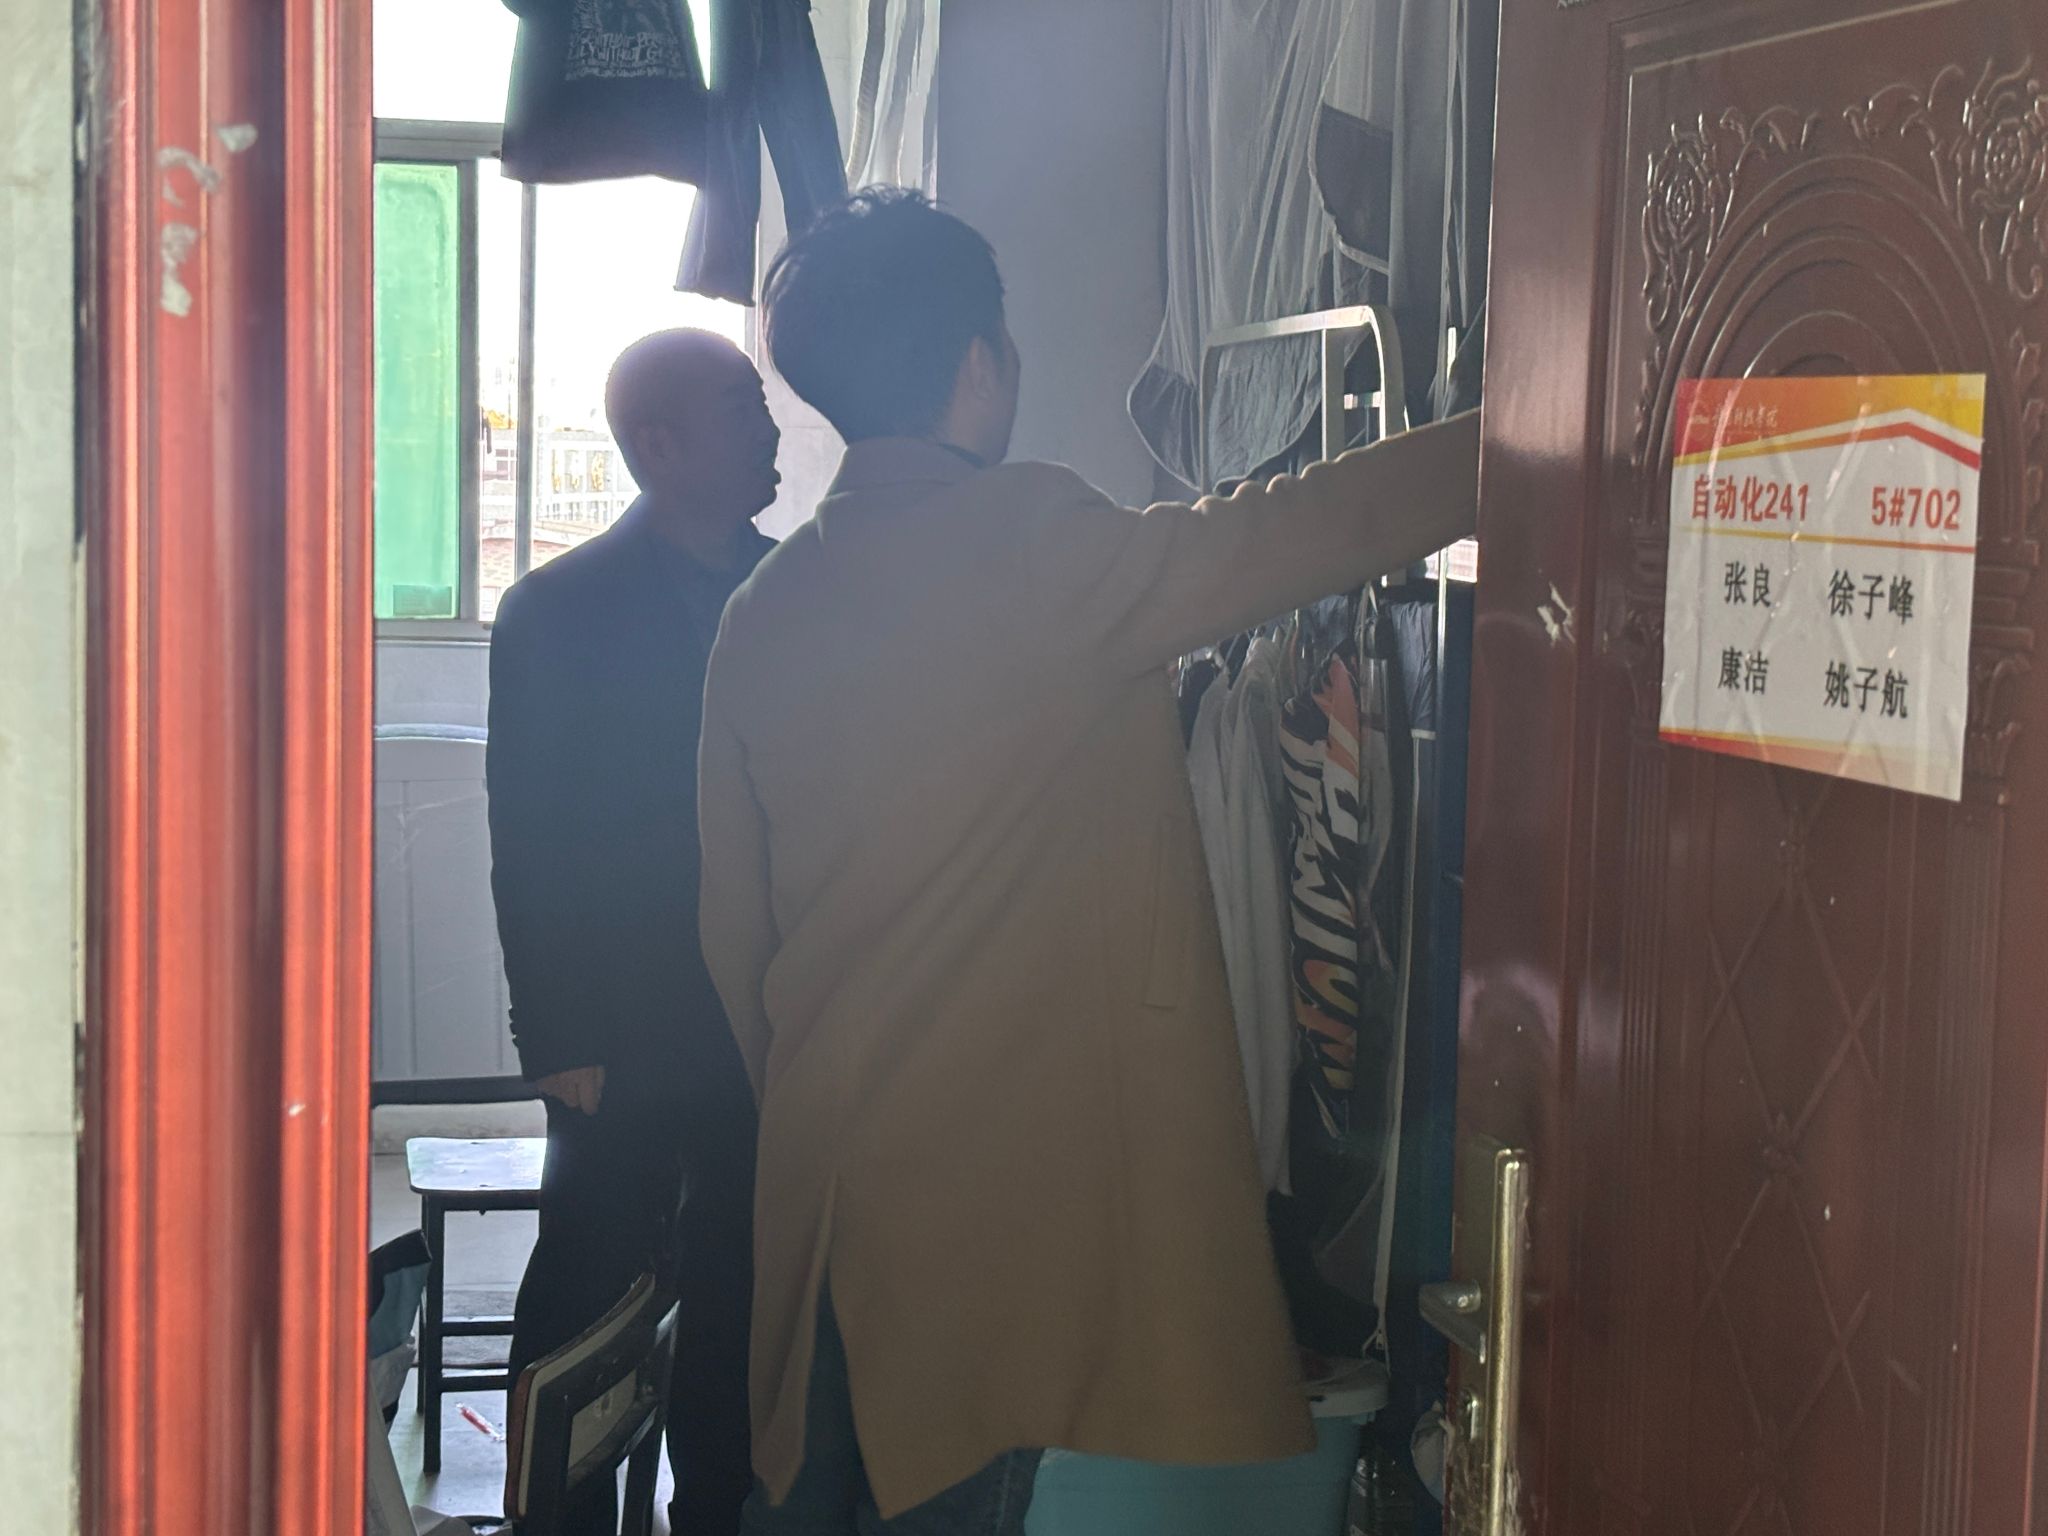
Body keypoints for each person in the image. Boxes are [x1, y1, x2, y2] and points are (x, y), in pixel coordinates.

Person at [696, 189, 1480, 1536]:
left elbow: (732, 934)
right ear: (980, 364)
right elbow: (1299, 524)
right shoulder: (1040, 543)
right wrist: (1528, 418)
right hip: (1000, 1207)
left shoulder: (764, 609)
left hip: (827, 1188)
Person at [487, 329, 780, 1536]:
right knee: (588, 1286)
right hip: (617, 1025)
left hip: (762, 1015)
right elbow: (528, 836)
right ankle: (557, 1519)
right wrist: (555, 1033)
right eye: (742, 407)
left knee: (738, 1293)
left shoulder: (794, 588)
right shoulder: (557, 609)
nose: (770, 428)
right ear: (657, 445)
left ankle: (712, 1510)